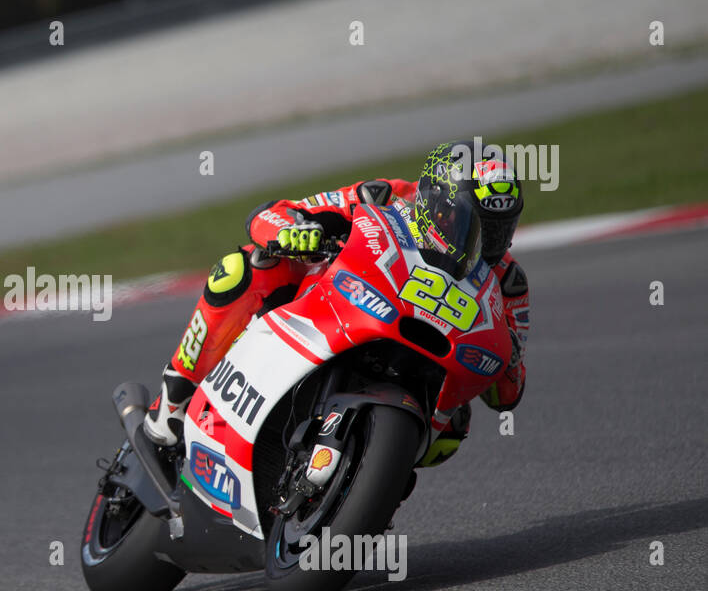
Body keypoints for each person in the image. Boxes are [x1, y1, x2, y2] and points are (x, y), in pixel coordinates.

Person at [143, 140, 530, 467]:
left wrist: (509, 361)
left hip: (424, 368)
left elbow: (506, 397)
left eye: (499, 229)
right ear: (439, 204)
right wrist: (294, 232)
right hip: (342, 310)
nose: (488, 241)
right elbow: (271, 214)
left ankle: (368, 486)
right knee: (243, 269)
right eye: (474, 222)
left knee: (454, 429)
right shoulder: (386, 196)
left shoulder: (508, 284)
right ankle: (175, 396)